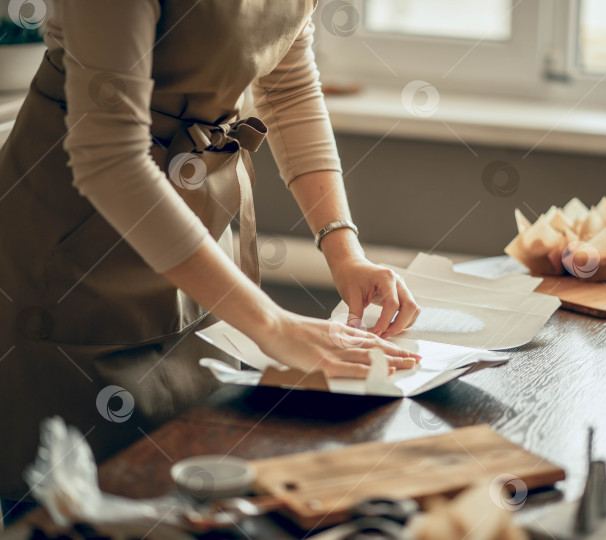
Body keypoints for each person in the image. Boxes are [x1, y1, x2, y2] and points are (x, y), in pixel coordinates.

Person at [0, 0, 421, 511]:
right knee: (76, 501)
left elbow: (288, 88)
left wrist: (344, 250)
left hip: (195, 236)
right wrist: (274, 326)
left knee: (195, 484)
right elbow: (111, 161)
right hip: (70, 249)